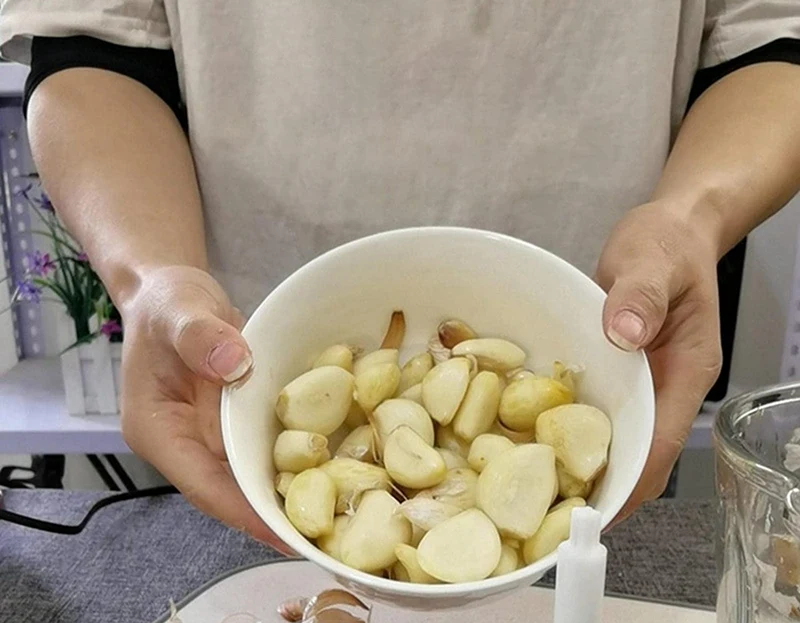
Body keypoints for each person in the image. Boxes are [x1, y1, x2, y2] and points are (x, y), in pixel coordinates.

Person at [1, 2, 799, 550]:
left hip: (613, 355)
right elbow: (91, 44)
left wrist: (693, 217)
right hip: (242, 371)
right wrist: (150, 279)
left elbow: (773, 35)